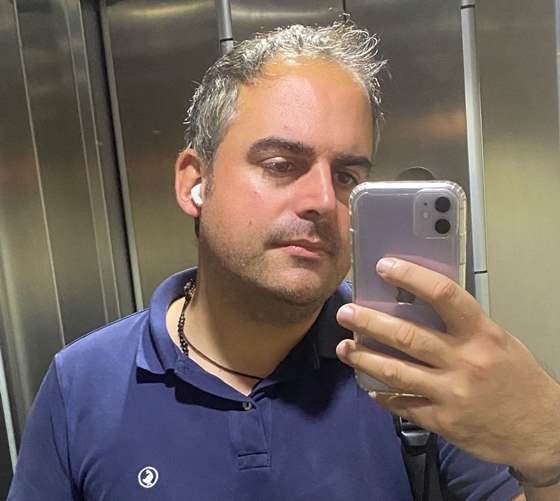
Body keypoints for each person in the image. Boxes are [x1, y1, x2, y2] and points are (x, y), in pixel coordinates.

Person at [8, 22, 560, 501]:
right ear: (195, 182)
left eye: (346, 176)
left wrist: (548, 446)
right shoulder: (84, 384)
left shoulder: (411, 365)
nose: (323, 199)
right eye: (280, 164)